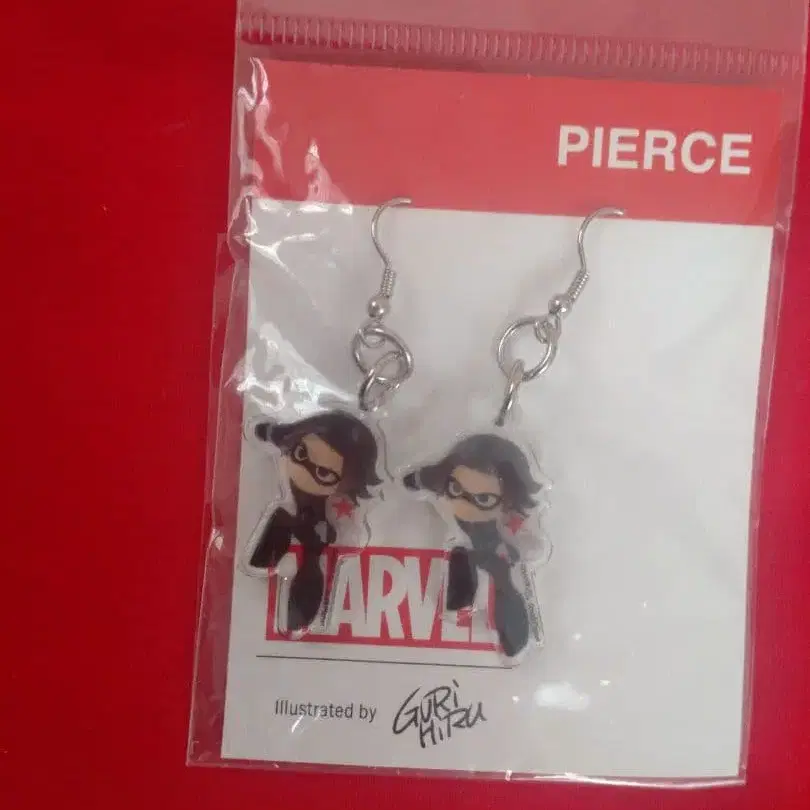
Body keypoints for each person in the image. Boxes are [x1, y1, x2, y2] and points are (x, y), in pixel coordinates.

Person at [403, 433, 541, 657]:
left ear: (508, 500)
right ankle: (461, 600)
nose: (465, 505)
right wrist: (415, 479)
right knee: (461, 556)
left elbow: (530, 545)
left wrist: (515, 550)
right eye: (457, 490)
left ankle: (511, 638)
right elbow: (420, 478)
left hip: (495, 550)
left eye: (484, 499)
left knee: (500, 578)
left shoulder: (508, 525)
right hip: (466, 551)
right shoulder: (441, 485)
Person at [250, 412, 381, 632]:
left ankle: (298, 618)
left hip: (314, 535)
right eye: (301, 454)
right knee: (283, 523)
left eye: (323, 473)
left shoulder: (322, 518)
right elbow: (270, 433)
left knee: (310, 556)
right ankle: (268, 568)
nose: (304, 471)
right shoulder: (284, 509)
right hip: (290, 526)